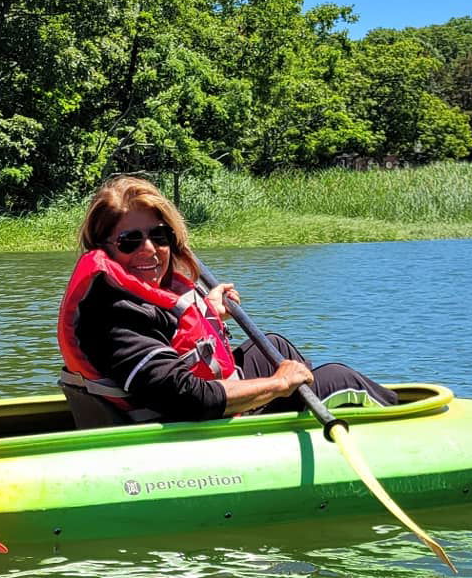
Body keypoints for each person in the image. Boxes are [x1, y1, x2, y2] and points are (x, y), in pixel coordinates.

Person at [57, 174, 398, 426]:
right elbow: (189, 397)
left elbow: (171, 331)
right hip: (180, 426)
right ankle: (404, 430)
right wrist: (279, 384)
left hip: (179, 405)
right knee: (340, 379)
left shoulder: (129, 293)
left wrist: (208, 313)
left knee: (273, 346)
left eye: (158, 236)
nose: (149, 249)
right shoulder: (114, 313)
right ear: (104, 247)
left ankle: (303, 431)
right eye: (130, 240)